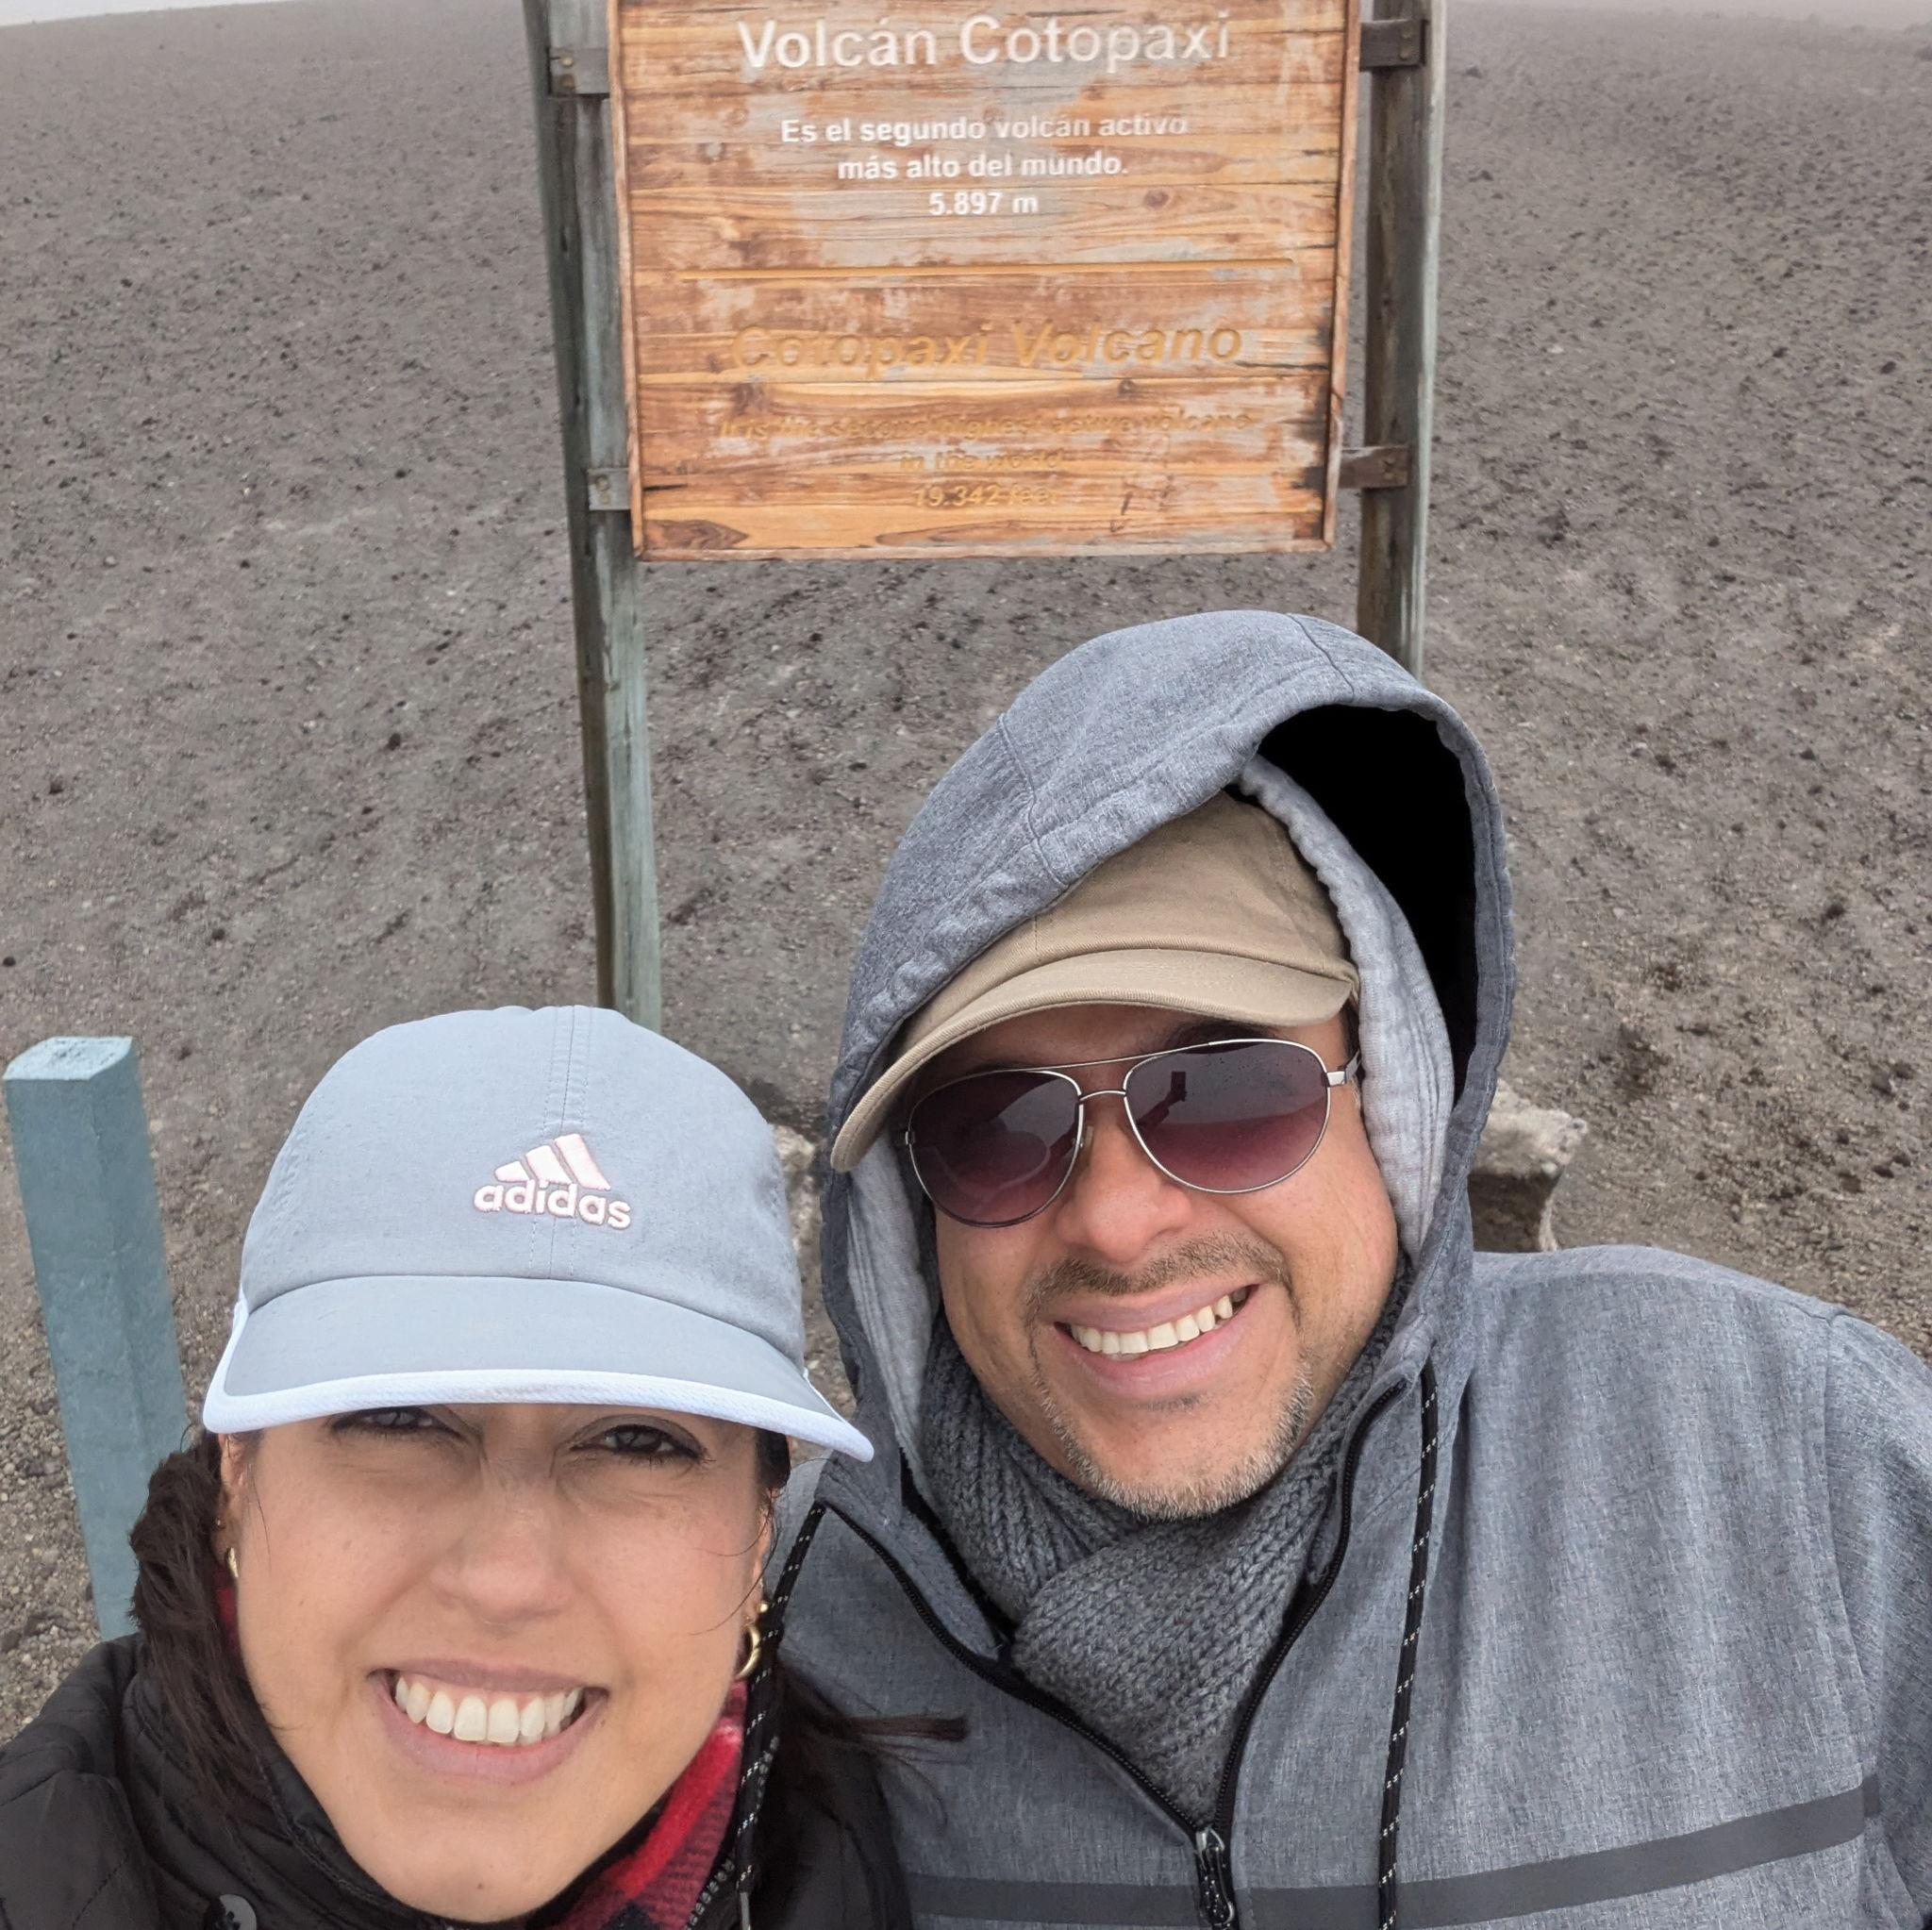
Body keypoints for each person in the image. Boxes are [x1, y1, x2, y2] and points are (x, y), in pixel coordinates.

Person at [778, 609, 1932, 1929]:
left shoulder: (1789, 1452)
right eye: (994, 1126)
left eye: (1221, 1092)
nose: (1114, 1219)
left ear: (1394, 1094)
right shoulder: (789, 1622)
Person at [0, 1005, 910, 1930]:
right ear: (235, 1474)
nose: (505, 1580)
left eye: (637, 1440)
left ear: (759, 1533)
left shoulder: (841, 1863)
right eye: (398, 1420)